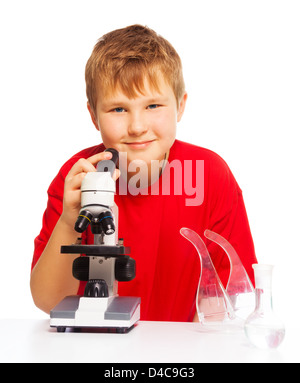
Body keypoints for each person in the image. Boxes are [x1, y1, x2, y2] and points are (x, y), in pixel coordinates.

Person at [30, 24, 257, 321]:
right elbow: (48, 300)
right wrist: (69, 220)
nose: (137, 127)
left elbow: (238, 297)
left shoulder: (209, 175)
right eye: (118, 110)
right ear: (93, 115)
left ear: (180, 106)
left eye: (153, 105)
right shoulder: (77, 176)